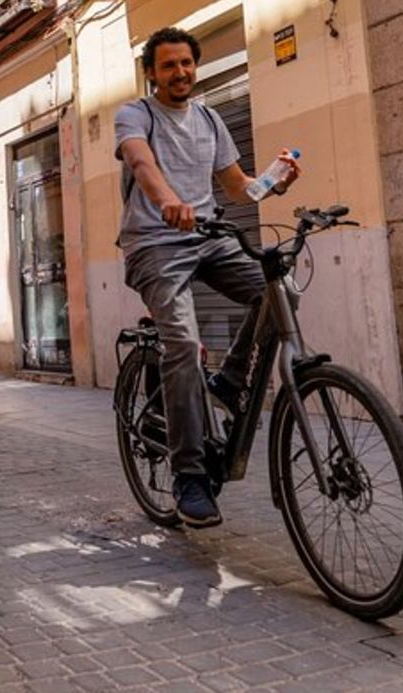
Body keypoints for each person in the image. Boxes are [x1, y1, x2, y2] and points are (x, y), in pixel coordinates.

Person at [117, 27, 300, 528]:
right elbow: (141, 160)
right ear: (152, 73)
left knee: (278, 290)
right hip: (154, 244)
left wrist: (275, 182)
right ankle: (190, 476)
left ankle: (231, 379)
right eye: (169, 65)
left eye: (187, 64)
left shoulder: (211, 118)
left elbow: (240, 188)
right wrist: (167, 201)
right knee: (181, 344)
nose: (180, 73)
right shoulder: (136, 115)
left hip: (208, 237)